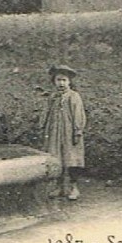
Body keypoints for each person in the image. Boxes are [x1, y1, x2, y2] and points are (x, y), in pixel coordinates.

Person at [41, 65, 87, 200]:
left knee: (72, 158)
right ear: (54, 82)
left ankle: (74, 188)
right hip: (55, 132)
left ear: (69, 82)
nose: (61, 83)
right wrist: (43, 127)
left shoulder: (74, 96)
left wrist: (77, 131)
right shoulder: (53, 97)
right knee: (57, 158)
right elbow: (46, 113)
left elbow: (78, 115)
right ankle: (60, 187)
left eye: (64, 80)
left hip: (69, 133)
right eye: (58, 80)